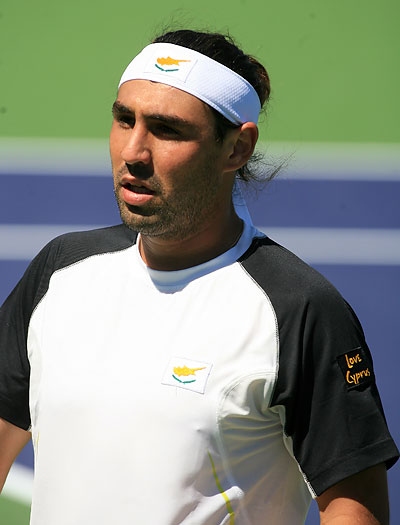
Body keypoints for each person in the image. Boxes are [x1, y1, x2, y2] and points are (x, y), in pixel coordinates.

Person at [0, 28, 398, 525]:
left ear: (237, 148)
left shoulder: (297, 309)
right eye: (124, 120)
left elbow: (353, 511)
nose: (133, 152)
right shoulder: (59, 271)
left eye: (166, 129)